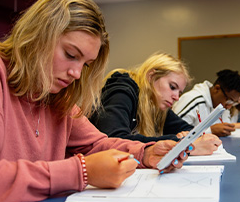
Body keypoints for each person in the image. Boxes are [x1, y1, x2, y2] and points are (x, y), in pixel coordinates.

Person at [0, 0, 191, 202]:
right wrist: (80, 172)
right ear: (37, 36)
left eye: (86, 64)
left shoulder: (54, 93)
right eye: (71, 54)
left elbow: (96, 145)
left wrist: (144, 153)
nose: (76, 73)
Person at [89, 52, 222, 156]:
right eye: (172, 87)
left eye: (180, 92)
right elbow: (114, 139)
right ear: (151, 77)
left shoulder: (157, 104)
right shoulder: (122, 91)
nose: (176, 97)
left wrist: (188, 137)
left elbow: (188, 130)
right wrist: (182, 143)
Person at [172, 69, 240, 137]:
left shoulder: (221, 106)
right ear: (217, 89)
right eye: (229, 101)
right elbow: (173, 132)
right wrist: (210, 130)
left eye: (234, 103)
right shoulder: (193, 100)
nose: (229, 107)